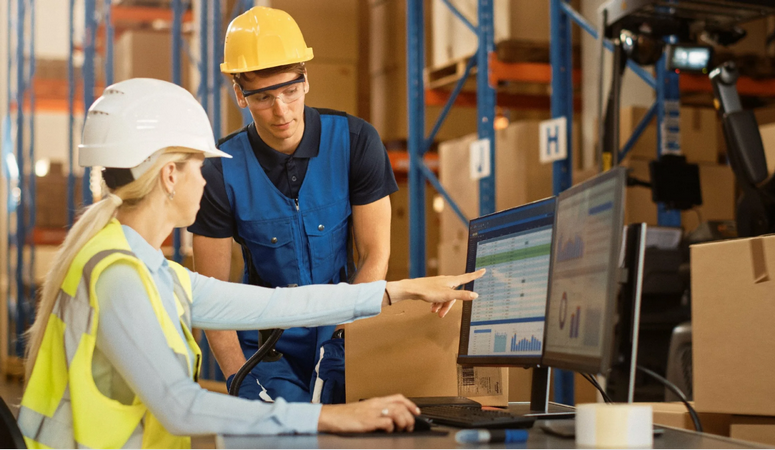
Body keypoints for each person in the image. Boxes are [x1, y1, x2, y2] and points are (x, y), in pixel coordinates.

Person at [18, 78, 483, 449]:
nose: (208, 180)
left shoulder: (147, 269)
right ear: (169, 176)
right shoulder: (117, 276)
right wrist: (332, 416)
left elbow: (271, 307)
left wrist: (397, 290)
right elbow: (181, 407)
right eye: (201, 166)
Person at [188, 6, 398, 404]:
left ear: (306, 80)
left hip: (341, 333)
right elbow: (210, 294)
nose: (281, 110)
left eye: (289, 91)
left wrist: (344, 334)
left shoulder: (356, 141)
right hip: (265, 348)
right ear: (239, 95)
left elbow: (375, 254)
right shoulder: (219, 172)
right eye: (264, 97)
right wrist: (237, 375)